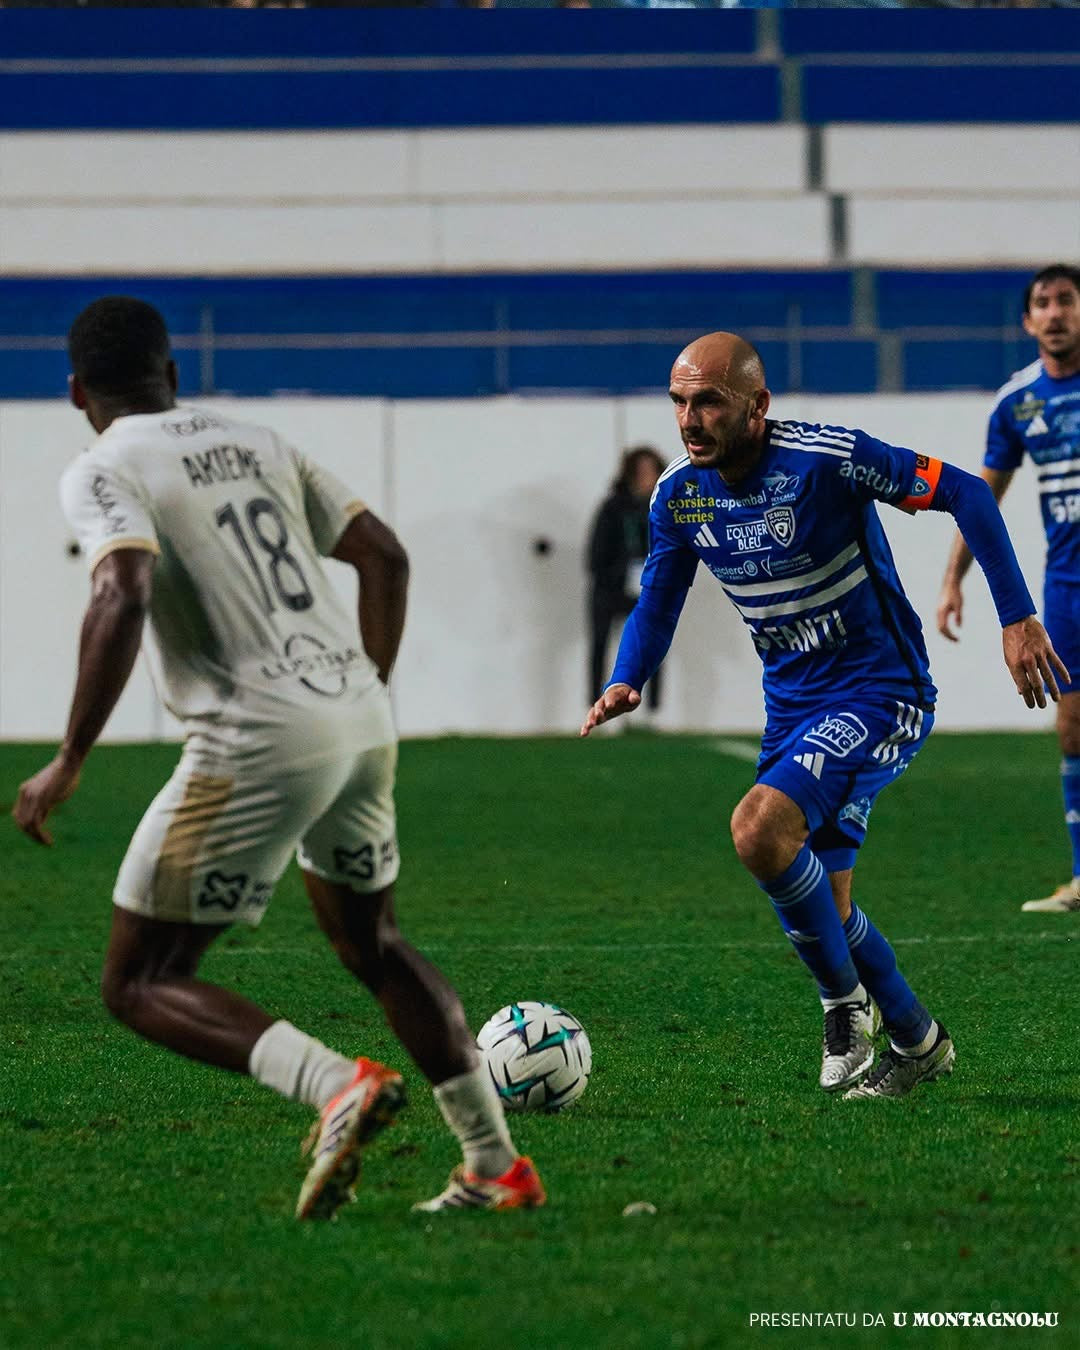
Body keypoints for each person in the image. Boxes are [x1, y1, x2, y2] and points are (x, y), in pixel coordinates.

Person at [12, 296, 544, 1217]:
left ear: (76, 394)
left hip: (255, 734)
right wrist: (355, 693)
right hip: (358, 715)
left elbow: (121, 591)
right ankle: (495, 1166)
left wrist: (69, 755)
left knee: (139, 980)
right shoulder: (260, 440)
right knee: (374, 943)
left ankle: (337, 1085)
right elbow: (385, 558)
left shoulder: (103, 467)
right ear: (172, 375)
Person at [581, 331, 1066, 1098]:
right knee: (827, 908)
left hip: (880, 691)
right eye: (679, 402)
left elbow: (968, 493)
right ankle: (919, 1042)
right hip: (793, 708)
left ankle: (843, 1006)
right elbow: (660, 598)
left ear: (758, 405)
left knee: (759, 831)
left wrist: (1016, 617)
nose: (690, 419)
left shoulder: (829, 459)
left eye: (709, 401)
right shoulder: (679, 494)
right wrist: (626, 677)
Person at [937, 263, 1080, 914]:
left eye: (1067, 300)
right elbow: (980, 498)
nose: (1055, 313)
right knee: (1072, 729)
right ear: (1027, 321)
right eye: (1043, 303)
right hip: (1067, 588)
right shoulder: (1017, 402)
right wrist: (952, 579)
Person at [587, 445, 667, 713]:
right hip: (610, 588)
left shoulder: (662, 508)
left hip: (647, 587)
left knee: (653, 643)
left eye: (652, 471)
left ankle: (652, 710)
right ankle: (597, 703)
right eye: (641, 472)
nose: (647, 477)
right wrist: (617, 574)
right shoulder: (612, 508)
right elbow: (596, 554)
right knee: (601, 644)